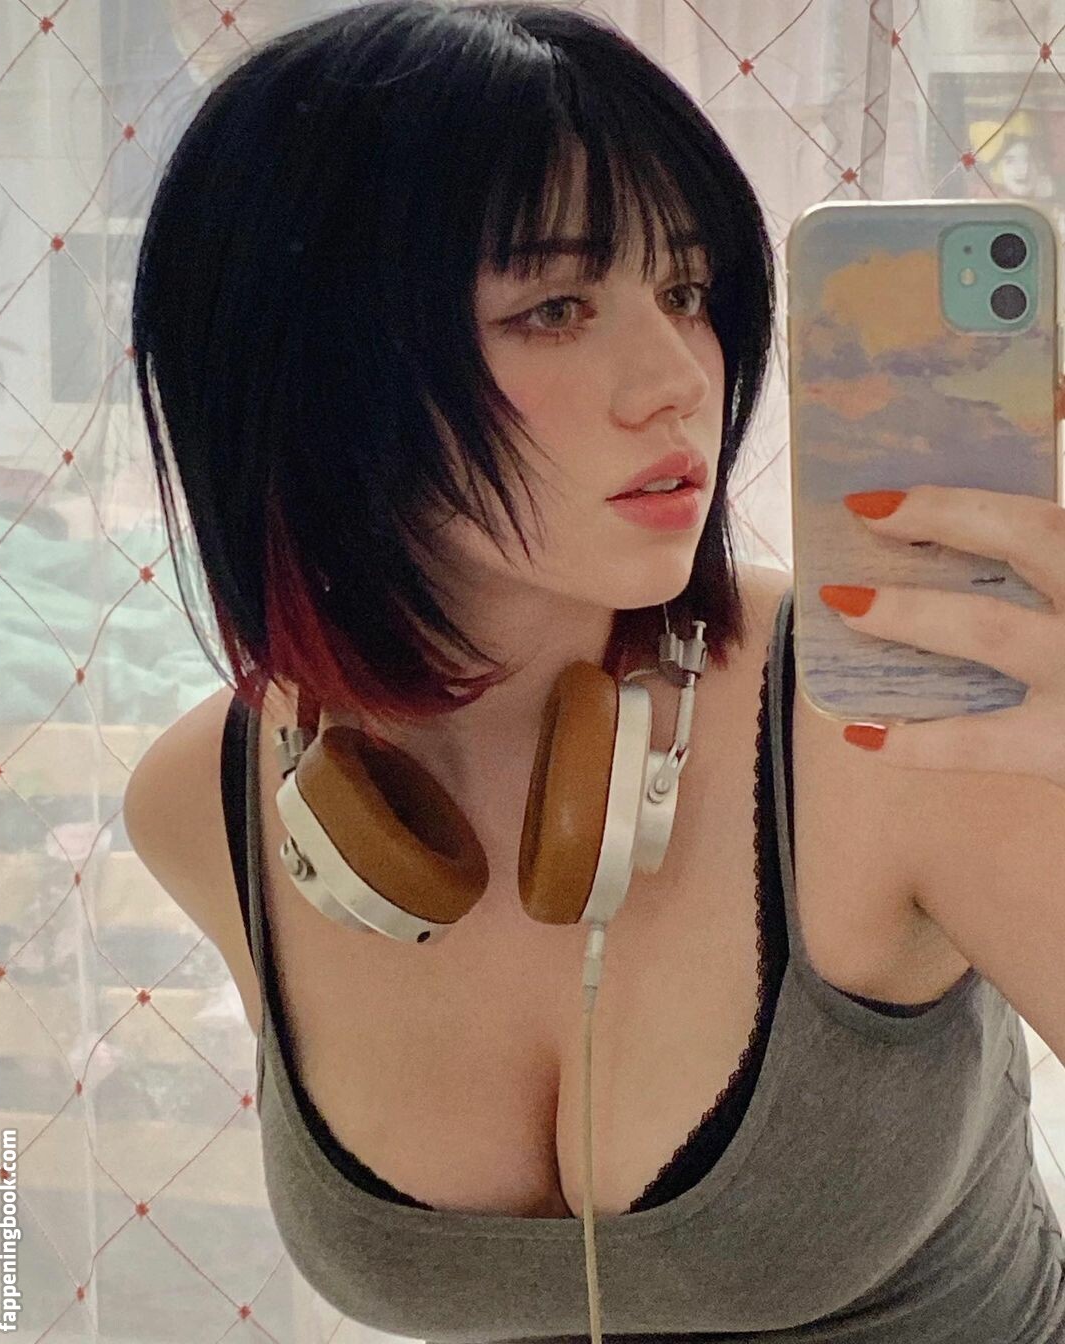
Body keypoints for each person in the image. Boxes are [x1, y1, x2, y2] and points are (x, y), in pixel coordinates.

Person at [122, 3, 1065, 1340]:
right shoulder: (202, 803)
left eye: (687, 292)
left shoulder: (877, 711)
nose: (679, 378)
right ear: (315, 370)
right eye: (556, 308)